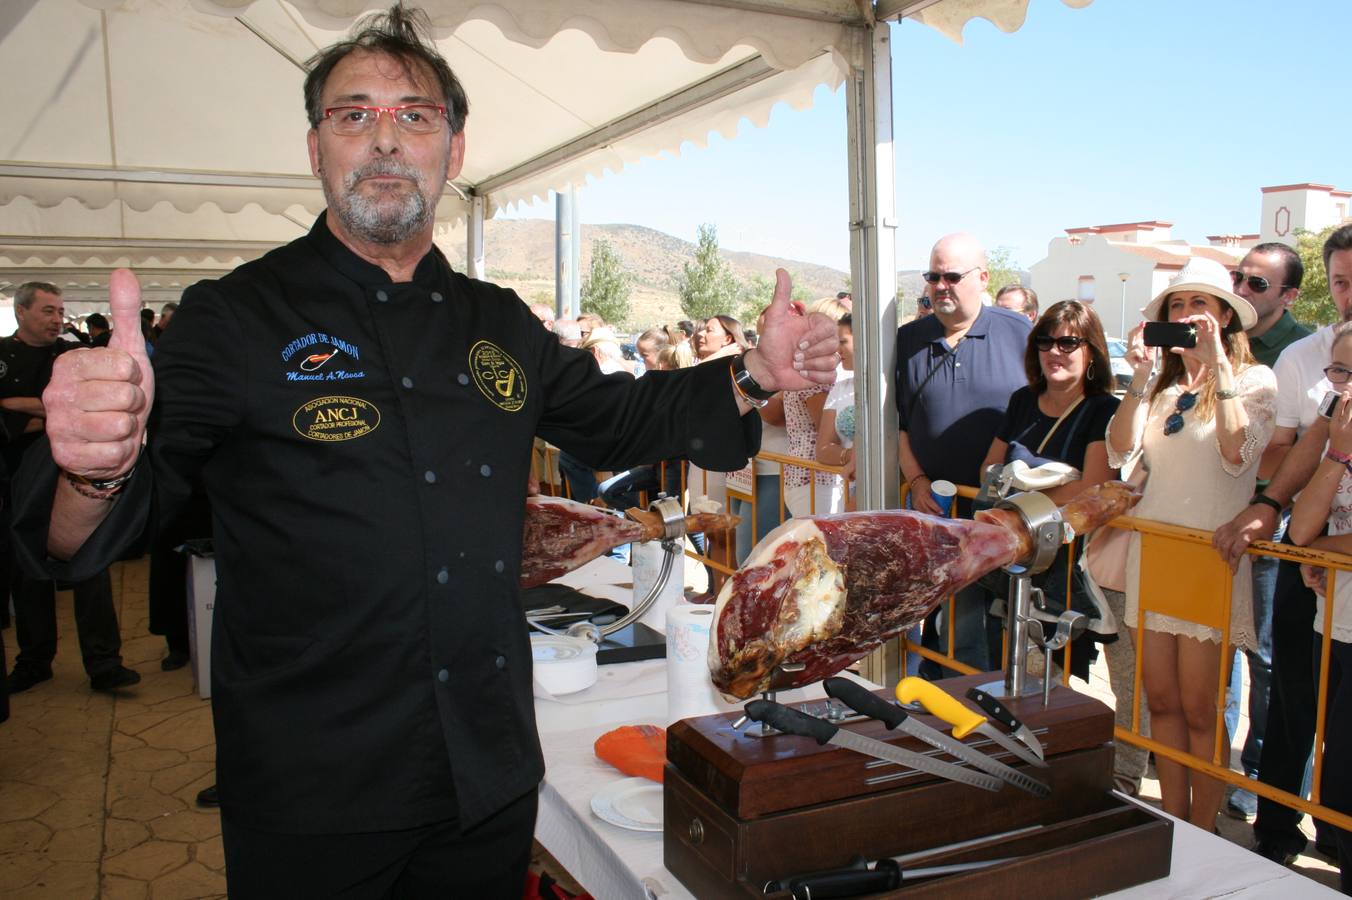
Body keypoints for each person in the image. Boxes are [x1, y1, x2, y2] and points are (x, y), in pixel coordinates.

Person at [13, 7, 838, 895]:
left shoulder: (498, 321)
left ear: (453, 148)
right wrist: (92, 467)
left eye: (415, 115)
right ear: (315, 147)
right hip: (313, 785)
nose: (384, 140)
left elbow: (622, 420)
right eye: (353, 114)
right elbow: (83, 533)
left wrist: (754, 372)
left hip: (484, 774)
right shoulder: (236, 318)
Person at [1106, 256, 1276, 830]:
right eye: (1176, 307)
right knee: (1162, 704)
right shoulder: (1161, 387)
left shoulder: (1254, 380)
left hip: (1210, 561)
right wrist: (1138, 377)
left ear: (1225, 316)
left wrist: (1220, 366)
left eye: (1199, 305)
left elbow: (1238, 453)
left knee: (1203, 708)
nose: (1187, 316)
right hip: (1155, 555)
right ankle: (1173, 820)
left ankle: (1206, 830)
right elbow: (1118, 450)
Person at [1215, 225, 1352, 865]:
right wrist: (1271, 508)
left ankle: (1338, 833)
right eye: (1343, 281)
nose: (1351, 294)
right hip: (1309, 552)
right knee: (1293, 691)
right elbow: (1295, 447)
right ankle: (1276, 828)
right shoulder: (1308, 359)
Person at [896, 232, 1031, 675]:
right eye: (933, 276)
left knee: (972, 626)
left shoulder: (1019, 334)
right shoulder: (907, 339)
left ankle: (969, 713)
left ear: (983, 277)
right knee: (931, 613)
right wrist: (916, 481)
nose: (940, 285)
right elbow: (898, 423)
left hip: (998, 513)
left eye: (952, 275)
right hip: (930, 508)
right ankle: (933, 696)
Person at [2, 283, 140, 695]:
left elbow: (83, 412)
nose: (56, 319)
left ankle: (104, 663)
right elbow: (53, 413)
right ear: (21, 311)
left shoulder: (71, 355)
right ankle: (34, 660)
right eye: (47, 310)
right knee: (27, 572)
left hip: (69, 481)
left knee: (90, 566)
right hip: (14, 478)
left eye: (60, 310)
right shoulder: (2, 357)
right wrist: (48, 413)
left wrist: (14, 404)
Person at [980, 300, 1119, 680]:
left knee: (1051, 683)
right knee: (1012, 674)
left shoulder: (1103, 408)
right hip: (1015, 557)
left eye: (1068, 343)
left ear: (1092, 350)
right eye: (1045, 341)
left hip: (1066, 562)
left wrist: (1017, 501)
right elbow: (988, 468)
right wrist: (1042, 494)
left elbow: (1090, 487)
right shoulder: (1022, 400)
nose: (1054, 351)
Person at [1222, 241, 1310, 821]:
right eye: (1239, 278)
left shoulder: (1300, 353)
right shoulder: (1223, 340)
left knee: (1269, 661)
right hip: (1215, 520)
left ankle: (1259, 779)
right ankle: (1216, 762)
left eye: (1257, 284)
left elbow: (1292, 448)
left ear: (1288, 295)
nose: (1244, 291)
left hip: (1271, 524)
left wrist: (1265, 504)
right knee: (1219, 643)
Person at [1289, 323, 1352, 893]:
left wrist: (1318, 547)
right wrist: (1340, 452)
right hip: (1334, 626)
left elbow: (1311, 539)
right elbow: (1302, 530)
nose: (1347, 389)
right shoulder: (1338, 434)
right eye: (1340, 374)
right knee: (1337, 773)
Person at [816, 313, 856, 513]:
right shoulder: (839, 389)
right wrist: (851, 456)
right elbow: (822, 450)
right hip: (848, 493)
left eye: (843, 342)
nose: (838, 350)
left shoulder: (890, 386)